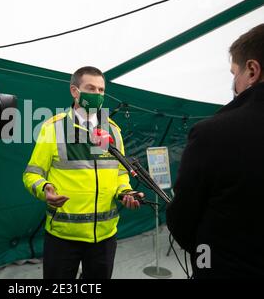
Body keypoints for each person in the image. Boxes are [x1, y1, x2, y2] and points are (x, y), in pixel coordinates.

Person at [23, 66, 144, 279]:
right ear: (74, 91)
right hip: (63, 236)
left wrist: (125, 192)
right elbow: (31, 174)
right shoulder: (53, 128)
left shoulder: (113, 130)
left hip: (106, 236)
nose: (97, 95)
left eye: (101, 90)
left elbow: (121, 173)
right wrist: (45, 189)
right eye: (91, 88)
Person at [166, 24, 264, 278]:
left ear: (252, 70)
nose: (234, 83)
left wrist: (208, 256)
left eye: (235, 73)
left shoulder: (214, 133)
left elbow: (183, 218)